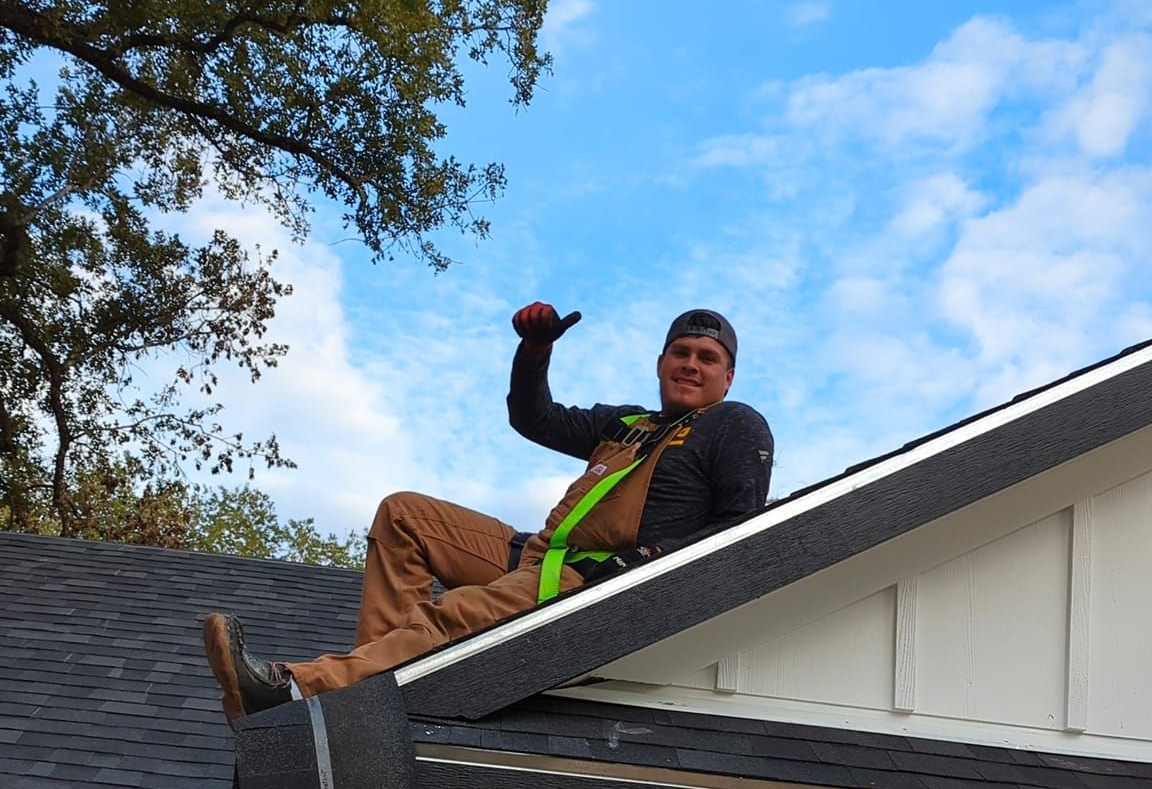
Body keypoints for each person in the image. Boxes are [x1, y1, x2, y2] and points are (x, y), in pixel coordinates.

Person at [202, 303, 774, 720]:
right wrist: (535, 352)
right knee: (404, 517)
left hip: (591, 579)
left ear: (728, 375)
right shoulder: (627, 423)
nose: (691, 364)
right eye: (682, 352)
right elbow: (536, 418)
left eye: (708, 357)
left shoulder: (734, 424)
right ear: (660, 361)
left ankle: (298, 688)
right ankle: (371, 689)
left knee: (448, 616)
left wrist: (639, 565)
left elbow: (739, 533)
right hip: (538, 556)